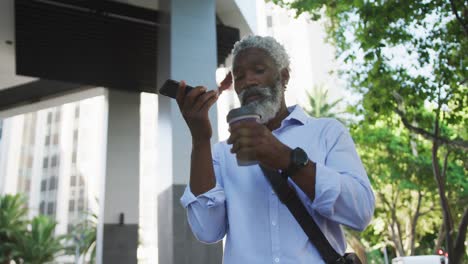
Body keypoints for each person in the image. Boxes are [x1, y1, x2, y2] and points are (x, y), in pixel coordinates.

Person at [177, 35, 375, 264]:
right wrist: (201, 140)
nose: (248, 81)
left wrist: (287, 159)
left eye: (258, 70)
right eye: (239, 76)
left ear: (284, 76)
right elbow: (207, 231)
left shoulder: (327, 133)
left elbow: (359, 212)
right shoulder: (222, 153)